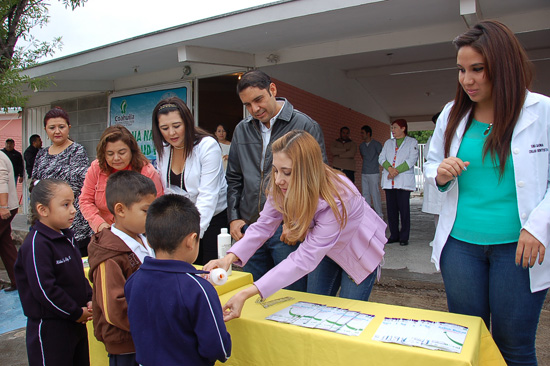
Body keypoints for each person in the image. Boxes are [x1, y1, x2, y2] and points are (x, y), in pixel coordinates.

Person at [424, 20, 550, 366]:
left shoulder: (542, 112)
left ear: (503, 65)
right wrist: (440, 172)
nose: (467, 80)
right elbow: (433, 165)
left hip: (520, 250)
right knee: (467, 343)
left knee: (514, 346)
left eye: (477, 69)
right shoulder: (452, 114)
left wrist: (537, 226)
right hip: (460, 249)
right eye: (462, 70)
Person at [205, 130, 386, 321]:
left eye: (287, 172)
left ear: (308, 170)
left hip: (356, 252)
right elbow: (263, 226)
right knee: (312, 311)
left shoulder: (339, 196)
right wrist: (228, 258)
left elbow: (305, 258)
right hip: (322, 252)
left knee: (348, 318)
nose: (278, 179)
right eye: (275, 169)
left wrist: (246, 293)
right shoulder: (281, 187)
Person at [227, 70, 327, 291]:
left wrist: (296, 224)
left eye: (258, 99)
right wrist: (234, 217)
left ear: (272, 90)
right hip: (251, 227)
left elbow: (318, 181)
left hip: (287, 232)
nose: (254, 109)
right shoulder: (241, 130)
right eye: (247, 105)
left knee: (290, 295)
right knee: (255, 293)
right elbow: (234, 177)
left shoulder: (305, 125)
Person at [125, 194, 231, 366]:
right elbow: (217, 348)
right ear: (191, 240)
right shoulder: (198, 289)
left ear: (149, 240)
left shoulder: (134, 280)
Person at [14, 179, 93, 366]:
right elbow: (45, 290)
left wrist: (89, 298)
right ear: (43, 210)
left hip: (76, 323)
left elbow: (77, 275)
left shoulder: (67, 236)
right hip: (51, 328)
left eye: (73, 203)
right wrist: (75, 312)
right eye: (65, 205)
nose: (73, 210)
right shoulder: (36, 244)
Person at [88, 171, 157, 366]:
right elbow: (114, 309)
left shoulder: (144, 238)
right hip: (126, 344)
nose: (151, 217)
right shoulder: (109, 255)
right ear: (120, 210)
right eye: (146, 211)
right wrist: (155, 322)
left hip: (146, 336)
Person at [151, 97, 227, 265]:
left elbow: (208, 196)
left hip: (212, 218)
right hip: (184, 221)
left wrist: (192, 235)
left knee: (210, 271)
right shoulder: (163, 149)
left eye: (176, 126)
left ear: (187, 122)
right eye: (164, 128)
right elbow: (168, 190)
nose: (171, 133)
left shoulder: (207, 146)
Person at [32, 107, 93, 257]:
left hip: (75, 222)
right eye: (52, 127)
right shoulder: (41, 154)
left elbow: (77, 183)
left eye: (61, 127)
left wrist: (46, 185)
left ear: (69, 128)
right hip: (48, 220)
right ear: (45, 129)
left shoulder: (77, 151)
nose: (57, 131)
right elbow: (35, 183)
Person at [80, 125, 163, 234]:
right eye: (110, 154)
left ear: (132, 151)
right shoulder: (96, 168)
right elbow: (85, 200)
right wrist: (100, 224)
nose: (116, 158)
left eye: (122, 152)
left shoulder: (147, 171)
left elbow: (158, 207)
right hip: (105, 232)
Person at [379, 119, 419, 246]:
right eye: (392, 128)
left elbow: (411, 160)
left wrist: (396, 171)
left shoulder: (412, 142)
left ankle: (404, 237)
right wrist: (390, 169)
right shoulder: (388, 143)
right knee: (391, 211)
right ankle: (394, 235)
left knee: (404, 211)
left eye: (395, 128)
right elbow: (381, 157)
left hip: (403, 182)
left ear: (403, 128)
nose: (393, 130)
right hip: (389, 182)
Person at [421, 112, 444, 243]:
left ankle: (447, 238)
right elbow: (427, 156)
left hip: (451, 177)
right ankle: (438, 237)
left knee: (448, 209)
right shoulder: (432, 138)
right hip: (437, 176)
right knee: (437, 210)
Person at [0, 150, 20, 291]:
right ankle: (18, 280)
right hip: (5, 207)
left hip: (4, 208)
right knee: (5, 244)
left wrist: (3, 206)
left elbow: (2, 181)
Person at [359, 125, 383, 218]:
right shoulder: (361, 146)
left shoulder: (376, 144)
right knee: (365, 194)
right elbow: (363, 157)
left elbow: (381, 156)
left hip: (374, 172)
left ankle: (379, 214)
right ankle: (368, 215)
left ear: (368, 133)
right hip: (364, 172)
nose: (361, 135)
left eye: (362, 133)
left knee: (375, 193)